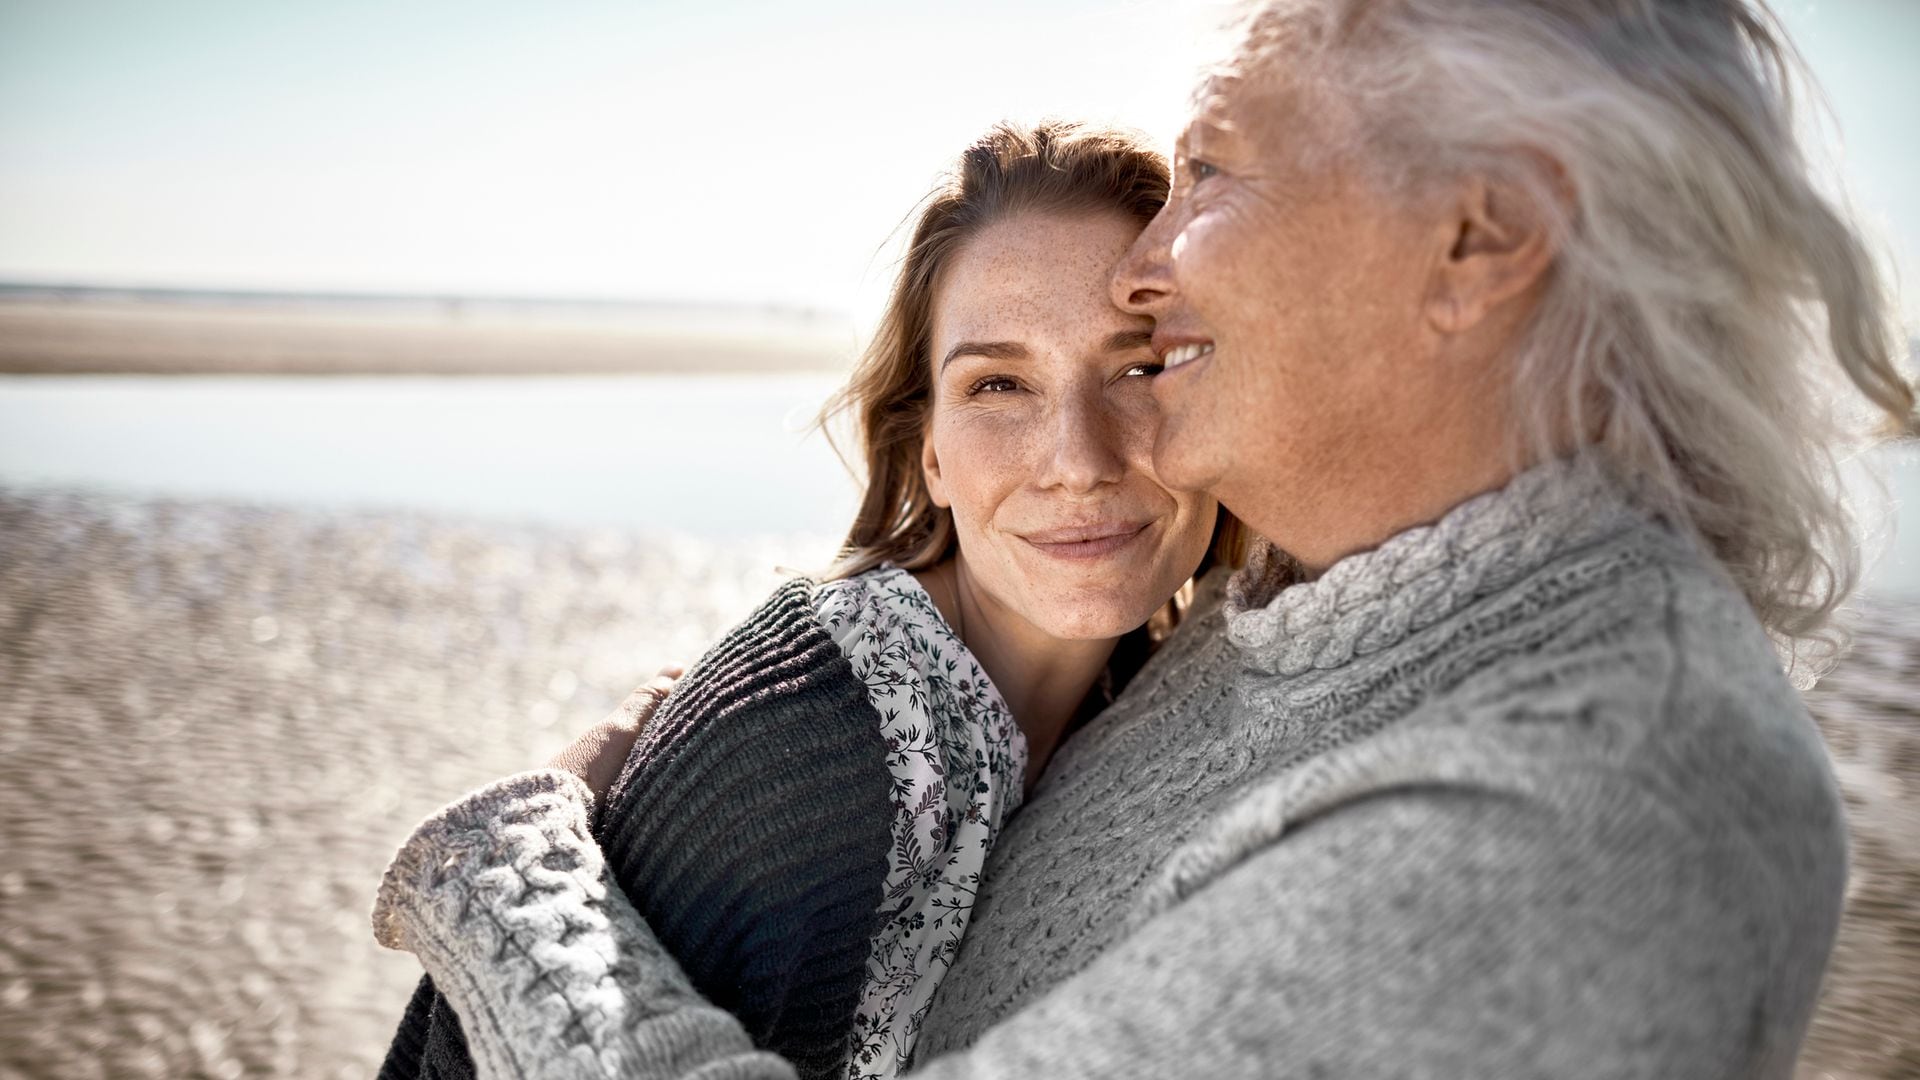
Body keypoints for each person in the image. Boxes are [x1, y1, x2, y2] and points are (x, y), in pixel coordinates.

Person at [371, 1, 1918, 1076]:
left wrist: (513, 872)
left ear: (1481, 237)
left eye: (1218, 169)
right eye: (996, 382)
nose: (1155, 264)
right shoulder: (1317, 604)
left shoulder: (1580, 797)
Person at [372, 120, 1232, 1080]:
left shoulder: (1138, 685)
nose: (1078, 459)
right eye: (999, 383)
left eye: (1140, 367)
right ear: (931, 454)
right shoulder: (818, 740)